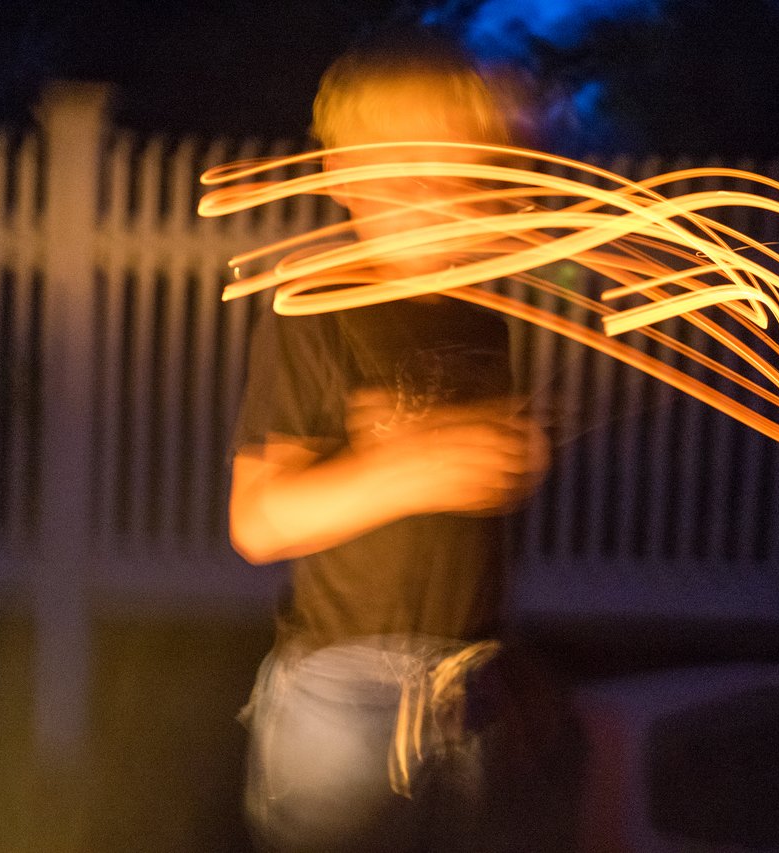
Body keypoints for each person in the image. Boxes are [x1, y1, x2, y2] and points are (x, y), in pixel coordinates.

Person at [229, 32, 577, 853]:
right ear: (345, 179)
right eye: (404, 169)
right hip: (341, 698)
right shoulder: (318, 306)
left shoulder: (483, 313)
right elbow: (261, 520)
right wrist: (417, 463)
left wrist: (504, 456)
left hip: (469, 686)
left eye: (460, 167)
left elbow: (462, 491)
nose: (435, 193)